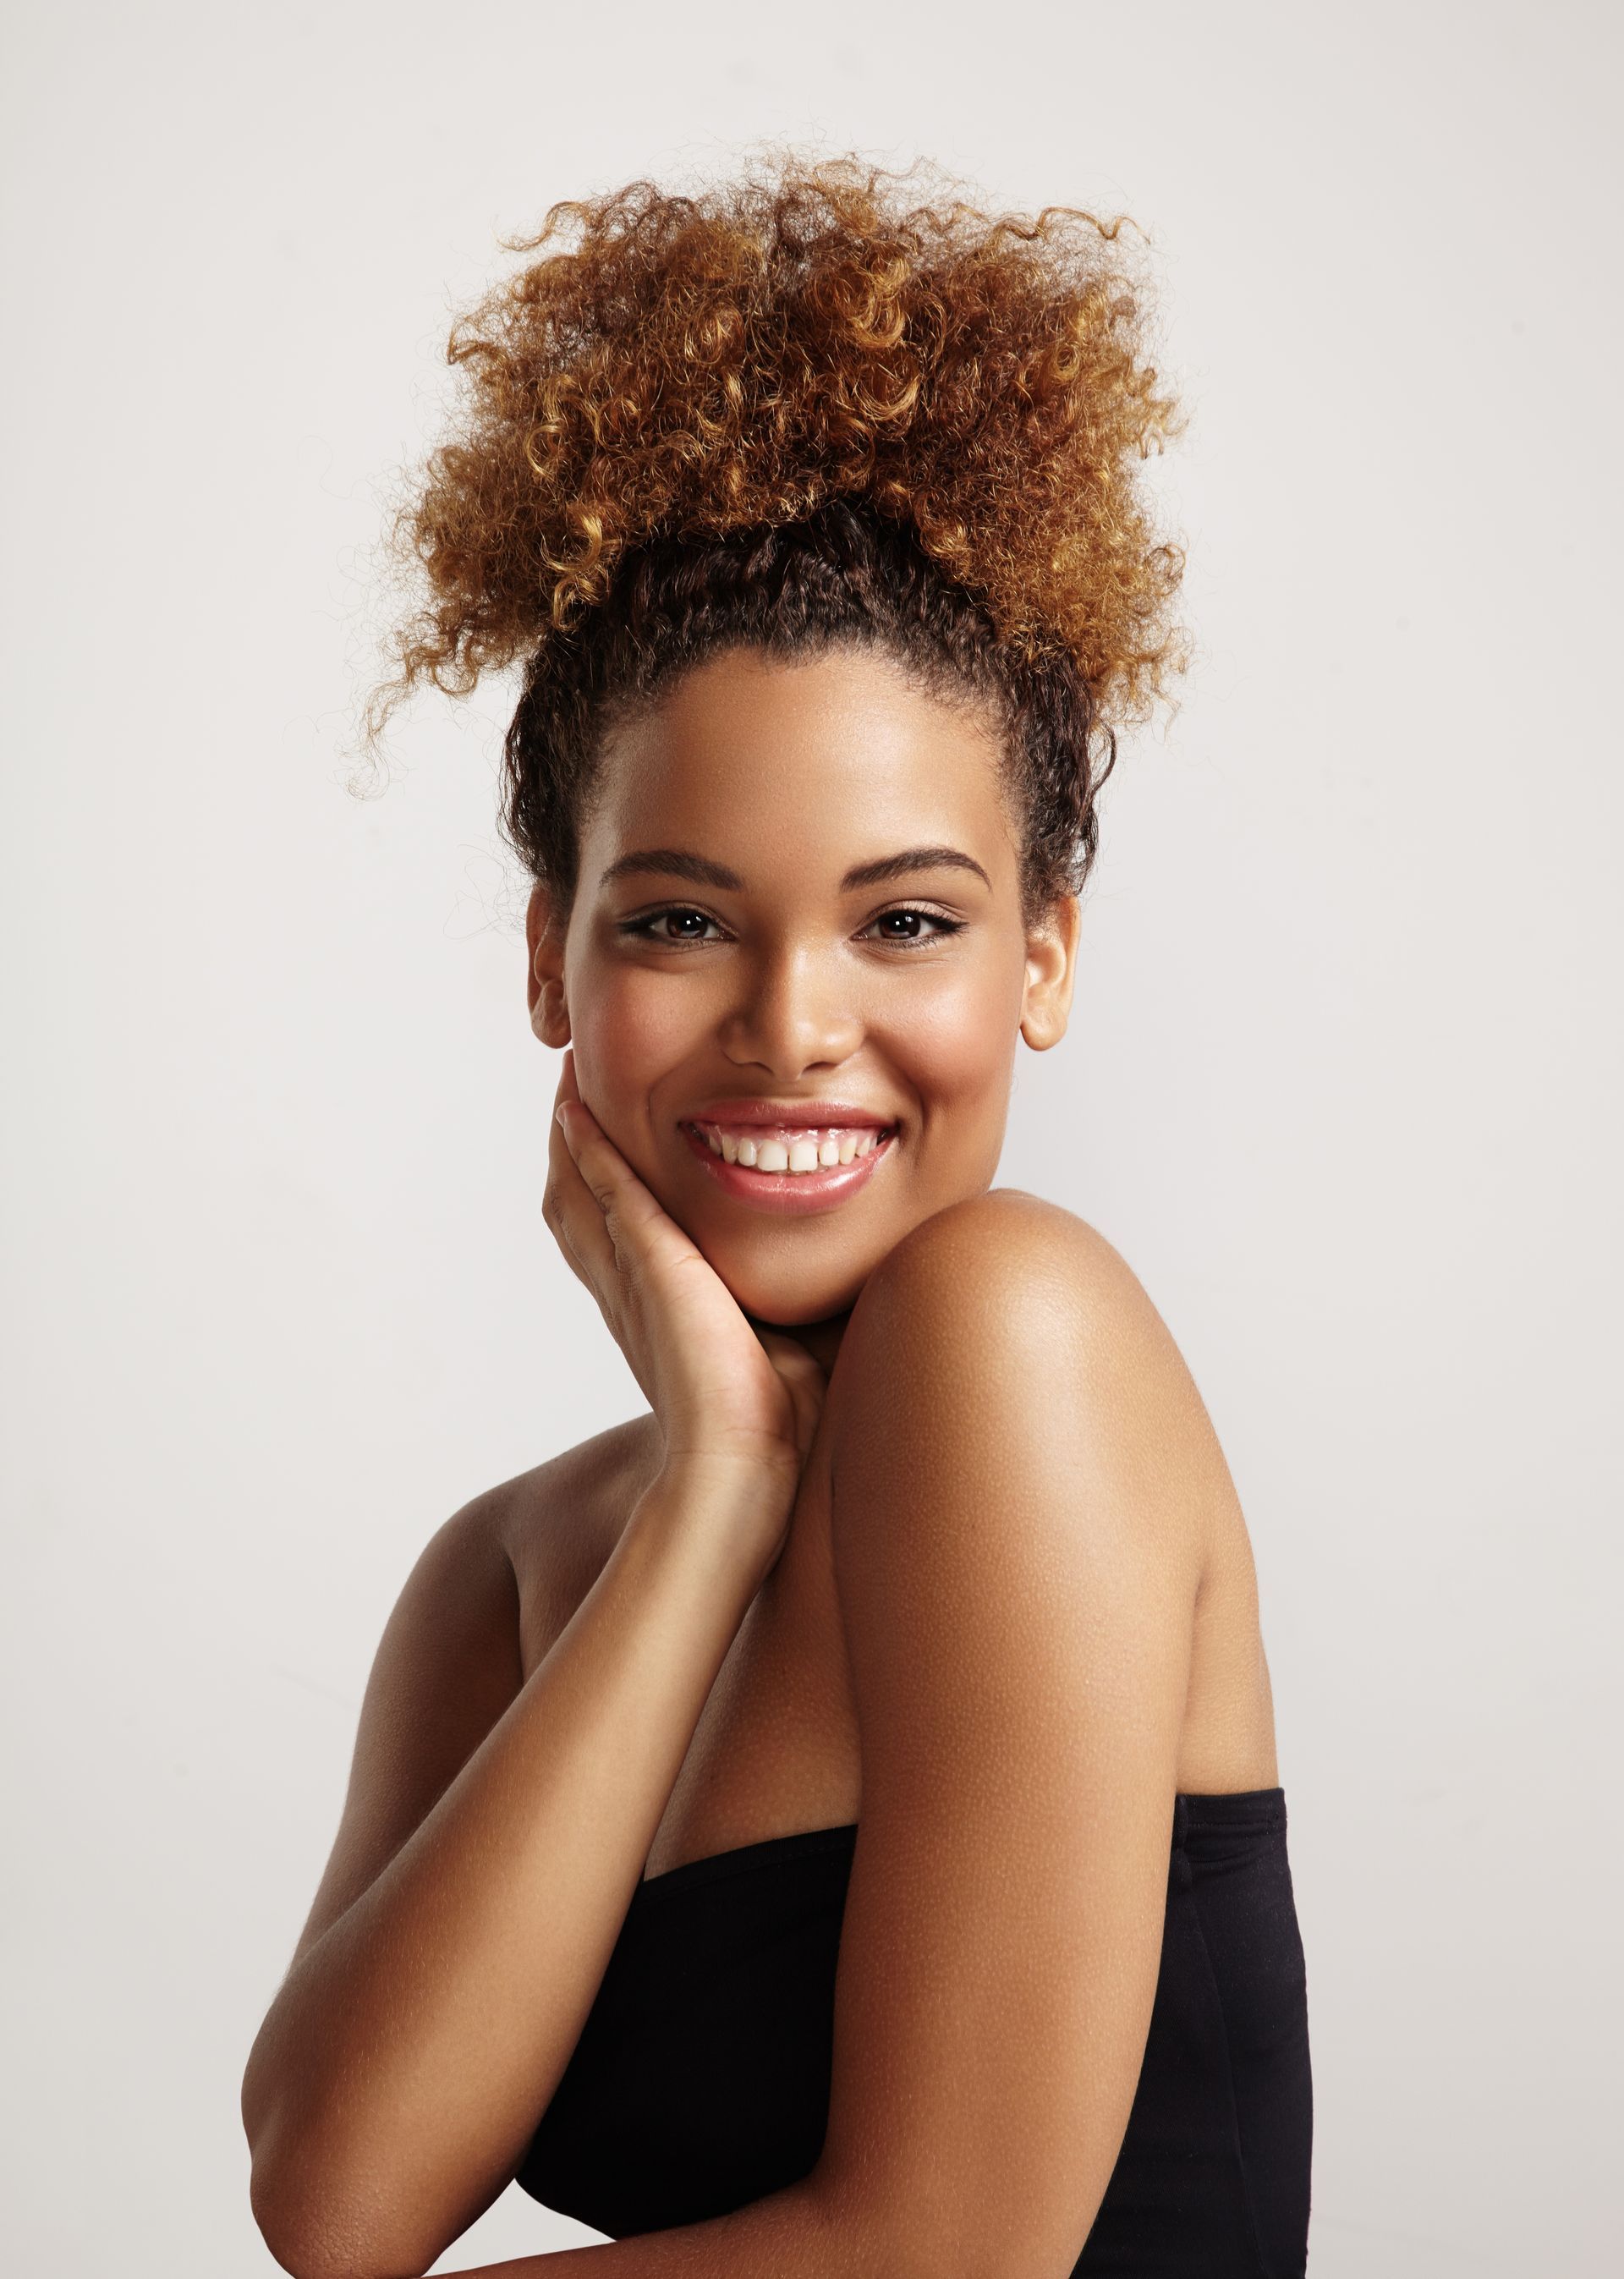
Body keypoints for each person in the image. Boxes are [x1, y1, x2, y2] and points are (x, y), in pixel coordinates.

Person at [240, 157, 1312, 2279]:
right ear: (551, 960)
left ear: (1045, 961)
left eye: (907, 917)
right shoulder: (506, 1579)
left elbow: (944, 2250)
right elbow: (342, 2208)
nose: (794, 1027)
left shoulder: (1019, 1336)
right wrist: (712, 1491)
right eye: (679, 920)